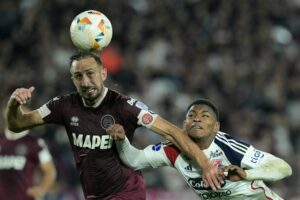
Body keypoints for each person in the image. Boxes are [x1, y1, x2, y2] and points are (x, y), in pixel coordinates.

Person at [5, 52, 223, 200]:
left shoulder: (125, 107)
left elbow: (172, 131)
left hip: (127, 192)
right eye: (78, 76)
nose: (86, 82)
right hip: (94, 194)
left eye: (90, 74)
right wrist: (14, 105)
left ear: (103, 74)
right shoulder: (63, 106)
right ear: (72, 79)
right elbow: (17, 125)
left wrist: (204, 164)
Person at [107, 98, 293, 200]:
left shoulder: (228, 146)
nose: (197, 119)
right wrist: (121, 140)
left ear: (216, 127)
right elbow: (135, 160)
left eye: (205, 116)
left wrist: (247, 175)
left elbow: (284, 168)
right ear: (184, 124)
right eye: (192, 115)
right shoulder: (172, 150)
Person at [0, 108, 56, 200]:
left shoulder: (34, 143)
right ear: (5, 113)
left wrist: (41, 189)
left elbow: (50, 171)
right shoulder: (1, 140)